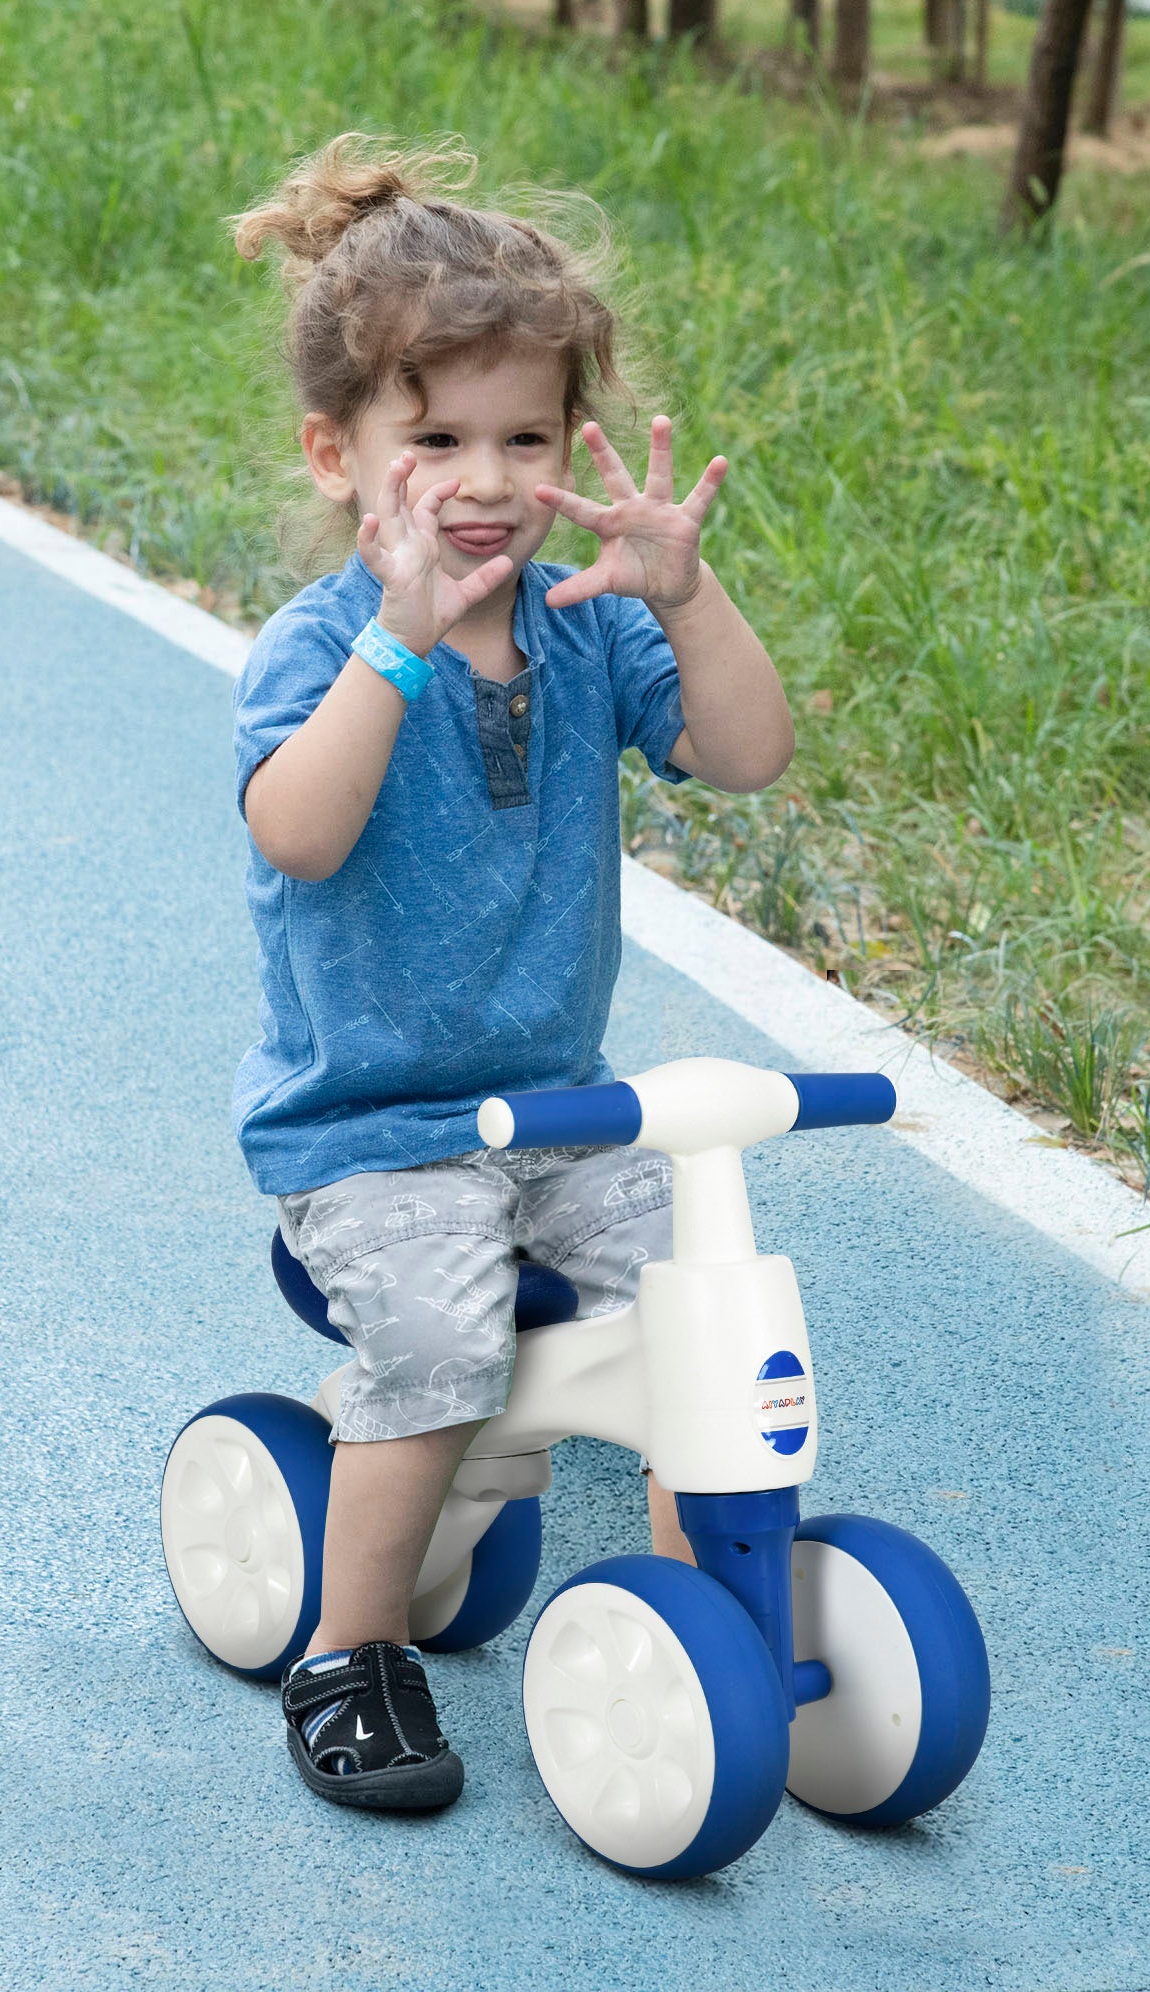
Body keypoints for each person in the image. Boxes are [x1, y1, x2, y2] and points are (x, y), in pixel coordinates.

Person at [229, 134, 794, 1812]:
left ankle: (709, 1628)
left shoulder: (590, 624)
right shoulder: (324, 651)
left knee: (703, 1297)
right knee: (439, 1342)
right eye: (438, 438)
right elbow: (300, 833)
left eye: (526, 437)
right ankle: (349, 1648)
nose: (484, 478)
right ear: (343, 457)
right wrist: (399, 646)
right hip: (376, 1127)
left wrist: (688, 602)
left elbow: (749, 755)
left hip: (554, 1108)